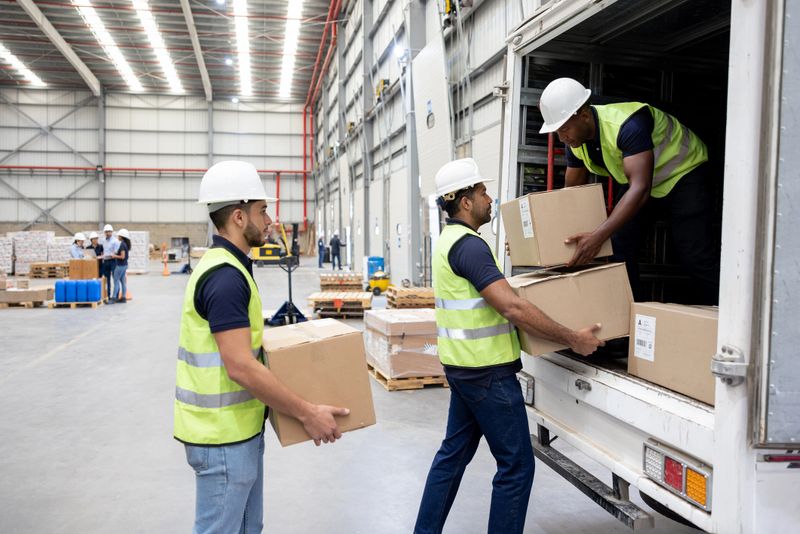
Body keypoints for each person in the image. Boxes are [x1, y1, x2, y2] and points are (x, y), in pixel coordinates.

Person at [414, 158, 603, 534]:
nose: (489, 197)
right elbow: (511, 305)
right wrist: (573, 338)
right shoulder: (468, 247)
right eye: (482, 191)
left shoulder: (450, 241)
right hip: (488, 375)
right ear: (464, 201)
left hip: (466, 371)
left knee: (451, 458)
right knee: (516, 466)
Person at [174, 161, 349, 534]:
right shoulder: (224, 278)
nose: (270, 219)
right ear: (239, 217)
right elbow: (239, 366)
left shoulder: (232, 267)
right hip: (222, 439)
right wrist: (307, 413)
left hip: (238, 432)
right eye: (262, 210)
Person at [538, 77, 719, 304]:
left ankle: (722, 319)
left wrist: (598, 237)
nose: (561, 137)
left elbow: (640, 189)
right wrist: (543, 233)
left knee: (695, 256)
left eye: (564, 129)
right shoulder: (574, 141)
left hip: (684, 174)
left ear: (583, 115)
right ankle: (634, 322)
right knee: (620, 248)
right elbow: (571, 193)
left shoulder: (627, 124)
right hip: (645, 183)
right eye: (557, 131)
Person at [110, 228, 130, 304]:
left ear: (122, 236)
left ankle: (114, 298)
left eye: (119, 235)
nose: (118, 236)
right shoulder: (125, 244)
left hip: (120, 266)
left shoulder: (122, 245)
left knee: (116, 281)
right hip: (124, 265)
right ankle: (123, 298)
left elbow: (122, 256)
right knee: (122, 281)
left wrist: (114, 256)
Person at [100, 224, 118, 301]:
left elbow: (116, 252)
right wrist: (102, 256)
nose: (107, 233)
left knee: (115, 278)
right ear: (104, 232)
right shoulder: (103, 240)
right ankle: (108, 295)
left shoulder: (115, 241)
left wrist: (110, 255)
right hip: (106, 261)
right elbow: (104, 251)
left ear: (112, 232)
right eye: (106, 232)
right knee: (107, 279)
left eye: (109, 232)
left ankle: (116, 296)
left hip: (113, 261)